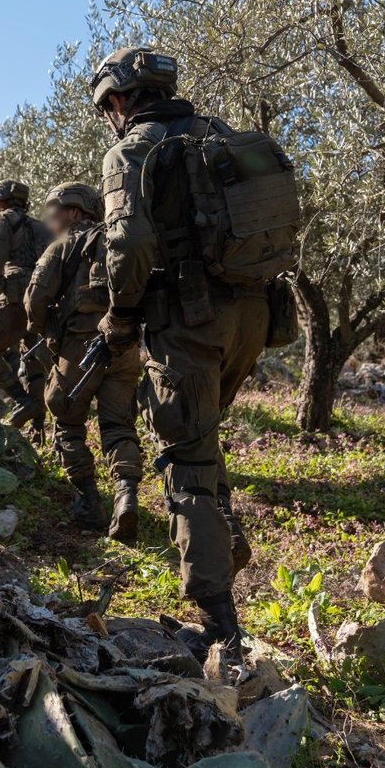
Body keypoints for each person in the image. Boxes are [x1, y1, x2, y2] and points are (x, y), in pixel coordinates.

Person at [93, 45, 288, 663]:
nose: (108, 118)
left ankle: (219, 625)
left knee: (187, 457)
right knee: (202, 437)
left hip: (188, 319)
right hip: (253, 315)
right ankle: (223, 539)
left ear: (121, 99)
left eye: (108, 107)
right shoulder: (223, 137)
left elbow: (127, 246)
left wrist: (121, 319)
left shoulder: (130, 149)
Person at [24, 182, 143, 540]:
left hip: (79, 348)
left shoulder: (63, 246)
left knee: (66, 420)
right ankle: (126, 497)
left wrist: (45, 331)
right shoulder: (121, 244)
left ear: (74, 212)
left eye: (54, 209)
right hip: (123, 347)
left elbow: (34, 299)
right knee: (119, 425)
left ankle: (88, 502)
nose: (48, 217)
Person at [0, 179, 50, 427]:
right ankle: (37, 425)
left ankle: (21, 401)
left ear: (0, 202)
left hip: (13, 297)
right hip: (41, 299)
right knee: (33, 357)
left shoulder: (2, 220)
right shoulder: (42, 226)